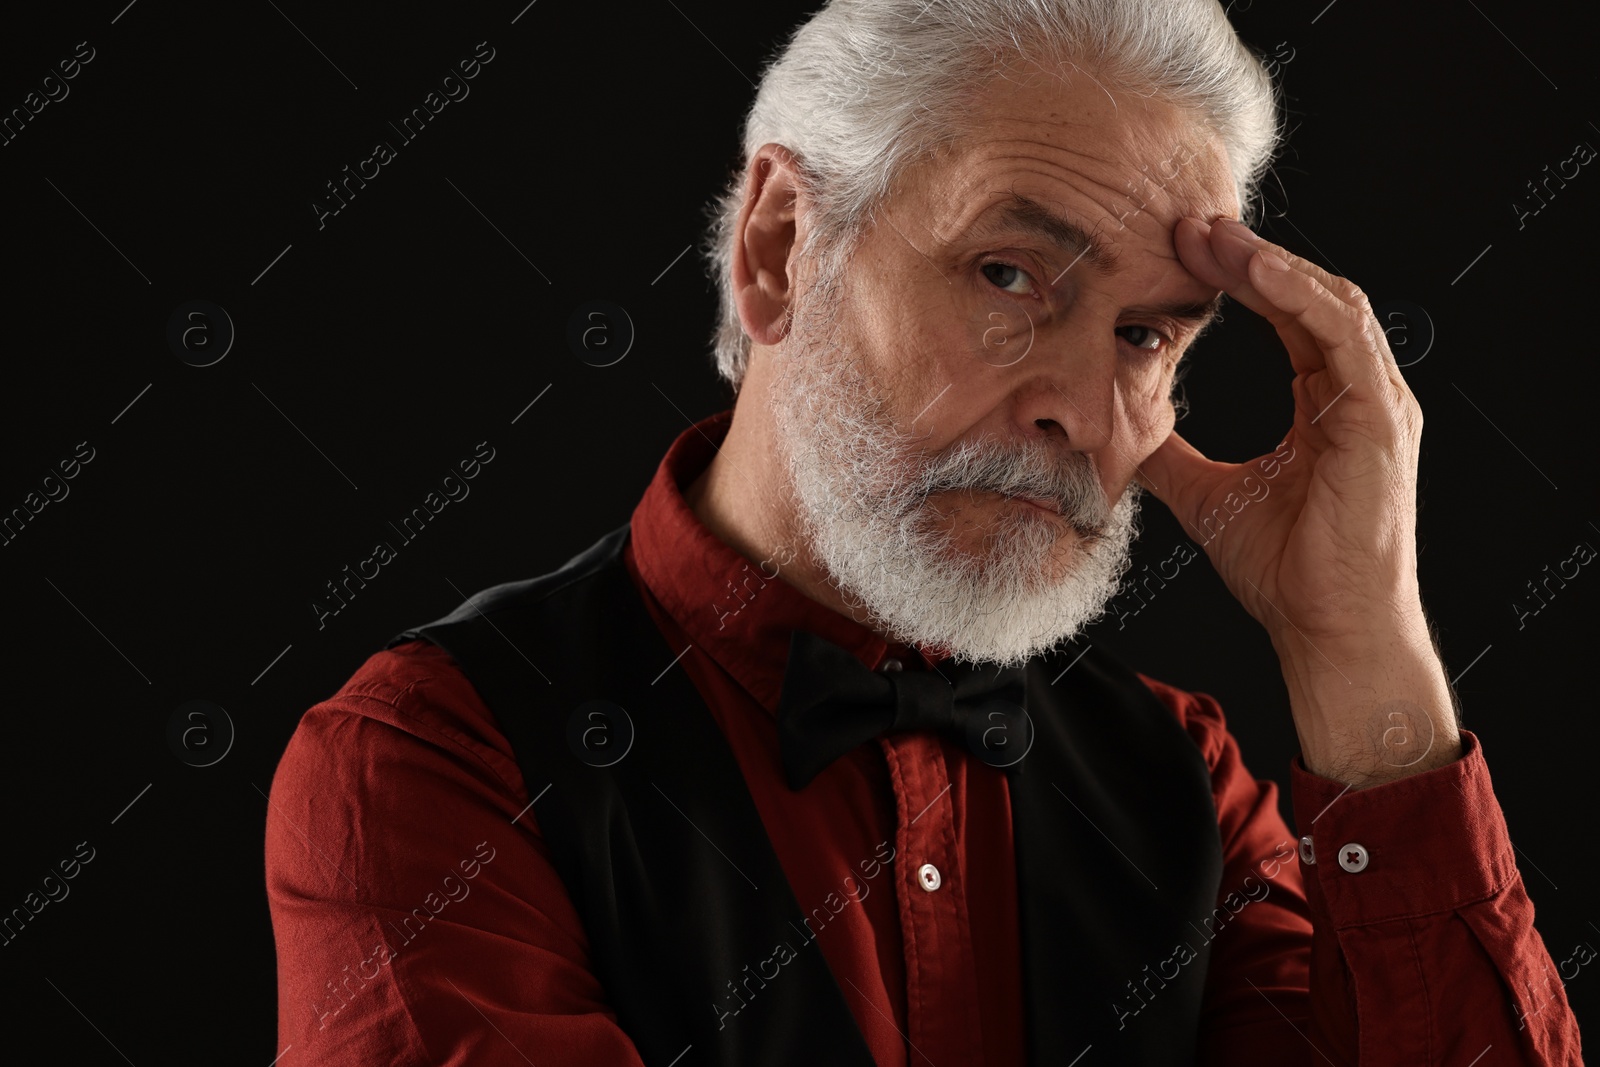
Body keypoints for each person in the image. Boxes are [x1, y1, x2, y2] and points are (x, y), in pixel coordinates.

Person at [264, 0, 1584, 1062]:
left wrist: (1357, 644)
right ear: (779, 246)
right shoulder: (431, 763)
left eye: (1145, 335)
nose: (1080, 406)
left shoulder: (1191, 787)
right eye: (1009, 275)